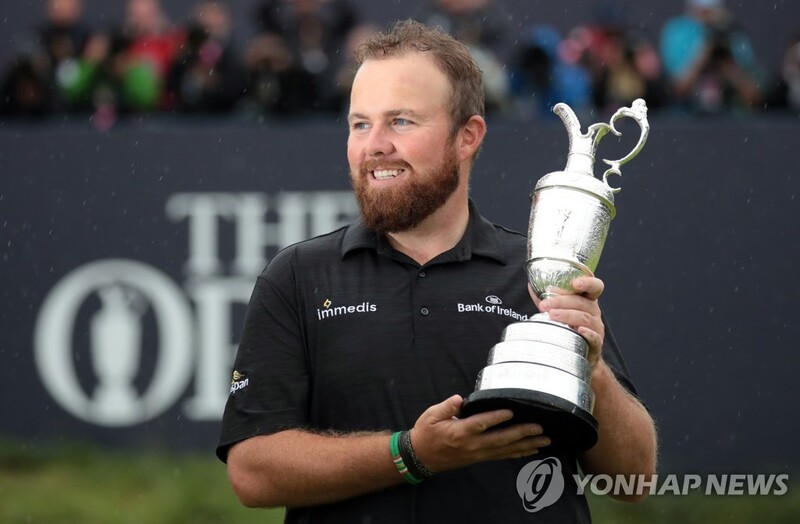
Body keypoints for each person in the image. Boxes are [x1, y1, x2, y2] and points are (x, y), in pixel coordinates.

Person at [217, 19, 657, 523]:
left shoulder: (535, 274)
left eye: (401, 121)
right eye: (360, 124)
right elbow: (252, 472)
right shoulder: (297, 277)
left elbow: (635, 478)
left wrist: (593, 367)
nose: (375, 145)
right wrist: (410, 454)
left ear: (467, 136)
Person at [659, 0, 762, 114]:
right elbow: (678, 89)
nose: (706, 14)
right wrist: (704, 52)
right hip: (687, 118)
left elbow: (754, 96)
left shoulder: (731, 33)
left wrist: (726, 62)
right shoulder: (677, 32)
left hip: (730, 118)